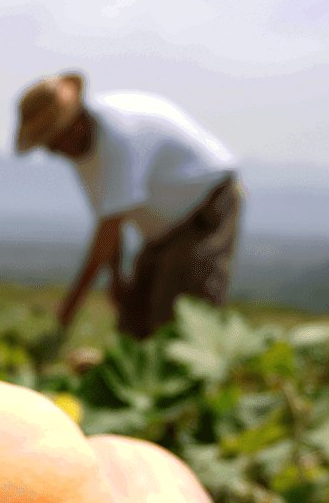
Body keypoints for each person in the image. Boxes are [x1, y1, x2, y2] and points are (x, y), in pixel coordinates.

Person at [15, 71, 242, 344]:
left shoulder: (119, 136)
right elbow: (109, 218)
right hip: (162, 227)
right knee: (133, 319)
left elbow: (107, 232)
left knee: (178, 321)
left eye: (53, 144)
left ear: (72, 128)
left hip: (206, 206)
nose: (54, 154)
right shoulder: (85, 150)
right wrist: (116, 279)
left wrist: (70, 308)